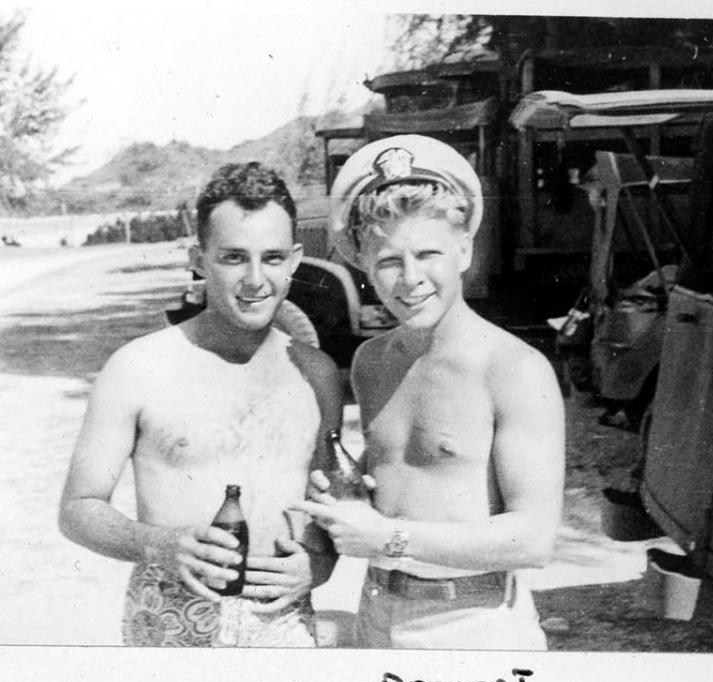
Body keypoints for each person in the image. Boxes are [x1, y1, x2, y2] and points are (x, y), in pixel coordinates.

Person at [292, 135, 565, 650]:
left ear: (464, 250)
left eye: (429, 253)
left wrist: (385, 538)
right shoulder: (372, 363)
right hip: (377, 611)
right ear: (364, 267)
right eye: (390, 260)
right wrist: (347, 502)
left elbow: (534, 539)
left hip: (476, 626)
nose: (411, 279)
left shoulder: (515, 369)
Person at [59, 162, 341, 647]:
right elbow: (78, 509)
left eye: (272, 258)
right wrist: (155, 543)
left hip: (284, 628)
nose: (255, 279)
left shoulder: (315, 373)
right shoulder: (138, 367)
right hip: (169, 622)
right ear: (198, 257)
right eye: (233, 258)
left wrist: (316, 565)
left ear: (295, 259)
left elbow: (325, 512)